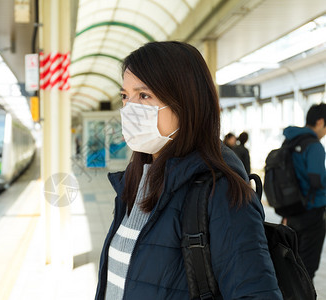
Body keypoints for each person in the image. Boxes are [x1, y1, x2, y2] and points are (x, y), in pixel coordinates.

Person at [95, 41, 282, 299]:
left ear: (185, 101)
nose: (129, 109)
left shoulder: (220, 191)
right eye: (125, 96)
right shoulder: (136, 181)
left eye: (144, 95)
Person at [283, 103, 326, 280]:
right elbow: (316, 180)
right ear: (320, 122)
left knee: (292, 264)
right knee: (308, 267)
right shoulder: (314, 146)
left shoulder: (290, 141)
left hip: (291, 210)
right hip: (312, 213)